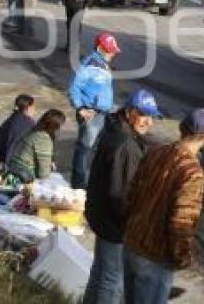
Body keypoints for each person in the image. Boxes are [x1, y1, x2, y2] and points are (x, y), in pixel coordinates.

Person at [122, 108, 204, 304]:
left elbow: (131, 194)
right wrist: (182, 256)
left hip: (132, 244)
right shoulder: (192, 172)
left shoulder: (156, 152)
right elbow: (181, 222)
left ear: (182, 128)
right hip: (155, 256)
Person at [83, 88, 162, 304]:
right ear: (129, 112)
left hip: (101, 215)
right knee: (111, 280)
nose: (149, 122)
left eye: (151, 116)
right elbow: (121, 194)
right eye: (144, 115)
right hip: (114, 224)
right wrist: (134, 224)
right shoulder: (126, 146)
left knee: (100, 271)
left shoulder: (114, 129)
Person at [67, 32, 120, 189]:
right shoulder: (89, 64)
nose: (112, 53)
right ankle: (79, 184)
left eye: (113, 50)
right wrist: (80, 107)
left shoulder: (102, 64)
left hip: (102, 113)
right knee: (84, 148)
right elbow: (73, 87)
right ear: (99, 48)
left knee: (102, 148)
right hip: (91, 112)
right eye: (109, 50)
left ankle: (95, 181)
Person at [5, 109, 66, 184]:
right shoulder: (43, 138)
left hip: (13, 169)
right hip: (25, 177)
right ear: (55, 127)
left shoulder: (33, 130)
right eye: (61, 126)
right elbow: (43, 174)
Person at [0, 94, 37, 165]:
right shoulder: (30, 124)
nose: (35, 110)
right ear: (29, 108)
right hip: (9, 163)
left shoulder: (12, 118)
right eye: (34, 107)